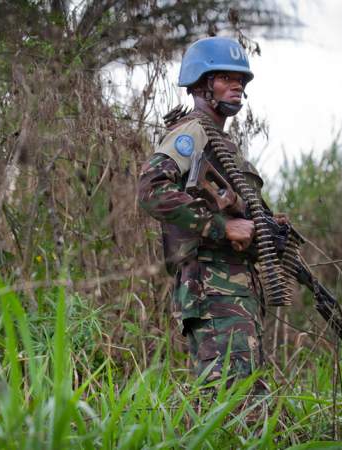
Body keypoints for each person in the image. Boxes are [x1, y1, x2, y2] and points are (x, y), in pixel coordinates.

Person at [137, 37, 282, 391]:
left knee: (244, 400)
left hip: (232, 292)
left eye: (242, 80)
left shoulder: (221, 143)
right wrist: (221, 226)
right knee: (232, 404)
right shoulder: (192, 133)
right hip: (212, 289)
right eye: (226, 78)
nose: (238, 86)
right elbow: (151, 189)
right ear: (202, 84)